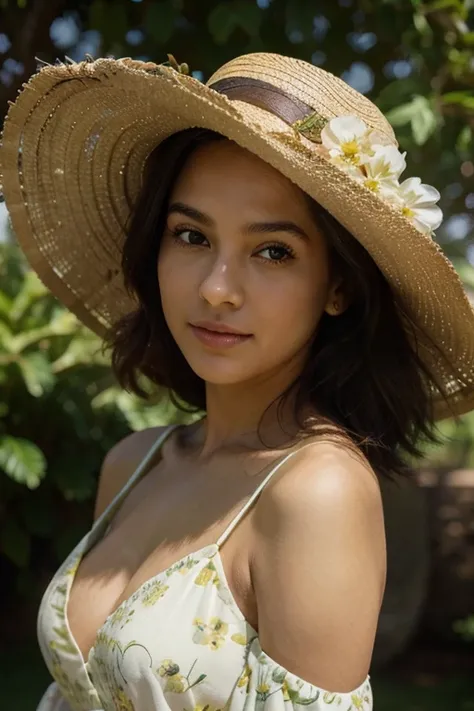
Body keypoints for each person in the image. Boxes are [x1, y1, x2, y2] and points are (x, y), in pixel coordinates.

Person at [1, 51, 473, 711]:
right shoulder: (132, 465)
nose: (217, 289)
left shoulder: (316, 492)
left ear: (337, 285)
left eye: (273, 250)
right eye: (191, 235)